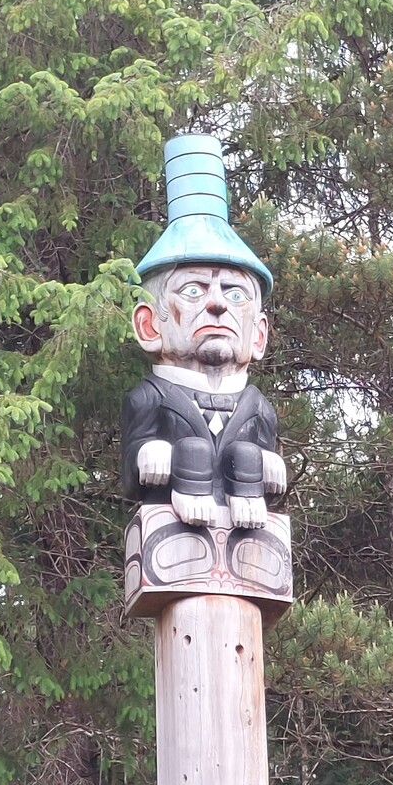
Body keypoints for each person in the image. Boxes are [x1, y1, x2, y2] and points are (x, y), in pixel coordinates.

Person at [121, 136, 287, 529]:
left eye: (235, 293)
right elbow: (132, 469)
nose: (218, 305)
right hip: (170, 531)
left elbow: (265, 461)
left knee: (248, 456)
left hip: (248, 538)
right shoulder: (149, 397)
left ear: (258, 334)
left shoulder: (258, 407)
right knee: (191, 450)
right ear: (149, 324)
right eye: (193, 290)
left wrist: (267, 462)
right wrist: (149, 453)